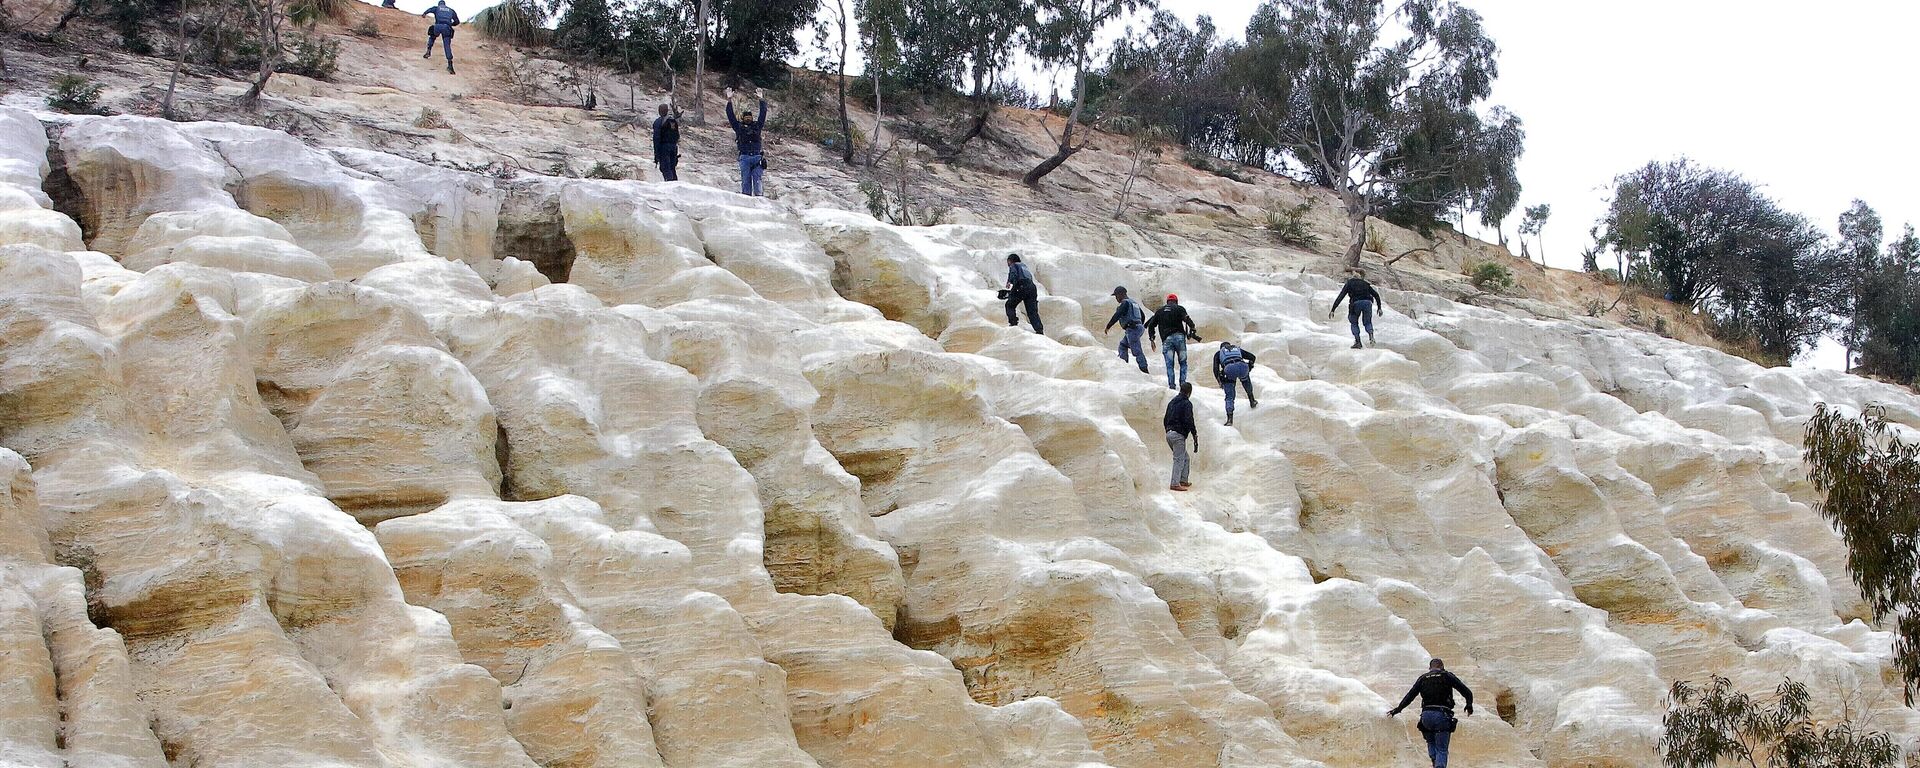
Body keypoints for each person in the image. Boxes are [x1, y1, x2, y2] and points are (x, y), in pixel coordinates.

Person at [1388, 659, 1474, 768]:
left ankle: (1434, 761)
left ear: (1430, 668)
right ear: (1442, 666)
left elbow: (1410, 696)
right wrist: (1469, 704)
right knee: (1442, 749)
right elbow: (1467, 692)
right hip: (1442, 715)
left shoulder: (1423, 678)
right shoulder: (1447, 676)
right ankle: (1439, 765)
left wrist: (1398, 709)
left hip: (1426, 716)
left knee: (1431, 742)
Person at [1148, 294, 1199, 390]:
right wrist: (1192, 328)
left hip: (1167, 340)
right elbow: (1187, 319)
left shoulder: (1160, 311)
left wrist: (1152, 338)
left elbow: (1151, 325)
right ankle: (1183, 384)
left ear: (1167, 301)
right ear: (1176, 301)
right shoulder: (1179, 308)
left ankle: (1172, 385)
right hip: (1179, 338)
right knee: (1183, 362)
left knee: (1169, 364)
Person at [1328, 268, 1387, 349]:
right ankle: (1371, 335)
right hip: (1367, 303)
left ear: (1352, 277)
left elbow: (1341, 296)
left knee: (1354, 322)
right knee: (1367, 322)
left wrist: (1333, 309)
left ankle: (1358, 342)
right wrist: (1379, 308)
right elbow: (1376, 295)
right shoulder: (1365, 283)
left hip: (1356, 303)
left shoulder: (1349, 283)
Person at [725, 87, 769, 196]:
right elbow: (730, 116)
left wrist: (761, 99)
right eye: (746, 117)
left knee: (758, 181)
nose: (748, 119)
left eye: (750, 117)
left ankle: (759, 201)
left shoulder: (757, 126)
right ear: (743, 119)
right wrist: (729, 100)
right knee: (745, 181)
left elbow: (763, 114)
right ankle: (746, 201)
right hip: (744, 158)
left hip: (756, 157)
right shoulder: (739, 127)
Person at [1103, 286, 1149, 374]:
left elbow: (1118, 314)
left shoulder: (1125, 303)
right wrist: (1139, 325)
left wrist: (1108, 326)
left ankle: (1144, 370)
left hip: (1132, 329)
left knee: (1136, 350)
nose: (1116, 298)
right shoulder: (1134, 303)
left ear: (1121, 294)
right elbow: (1142, 315)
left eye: (1116, 296)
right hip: (1137, 328)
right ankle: (1124, 365)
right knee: (1123, 345)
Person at [1212, 341, 1258, 426]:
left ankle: (1230, 419)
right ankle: (1252, 400)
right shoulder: (1237, 349)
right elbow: (1252, 357)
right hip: (1242, 366)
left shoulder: (1219, 353)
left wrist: (1220, 381)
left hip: (1229, 369)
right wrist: (1249, 367)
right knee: (1245, 379)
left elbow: (1215, 369)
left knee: (1229, 396)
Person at [1163, 382, 1197, 491]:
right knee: (1179, 459)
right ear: (1189, 392)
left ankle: (1183, 480)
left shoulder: (1172, 402)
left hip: (1169, 433)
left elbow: (1165, 418)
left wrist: (1168, 430)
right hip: (1178, 435)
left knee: (1185, 458)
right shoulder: (1187, 403)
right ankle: (1174, 483)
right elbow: (1189, 420)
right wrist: (1194, 433)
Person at [421, 0, 460, 74]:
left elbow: (429, 10)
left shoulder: (437, 8)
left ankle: (428, 51)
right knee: (447, 45)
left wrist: (424, 14)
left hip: (438, 26)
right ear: (445, 4)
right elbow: (457, 22)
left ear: (439, 4)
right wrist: (451, 24)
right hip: (447, 28)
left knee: (432, 36)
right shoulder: (451, 10)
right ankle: (450, 65)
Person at [651, 103, 681, 182]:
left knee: (665, 168)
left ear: (659, 111)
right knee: (672, 169)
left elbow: (656, 138)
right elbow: (677, 136)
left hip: (664, 148)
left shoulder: (658, 122)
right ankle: (675, 186)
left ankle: (669, 186)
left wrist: (656, 154)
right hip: (674, 147)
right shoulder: (673, 121)